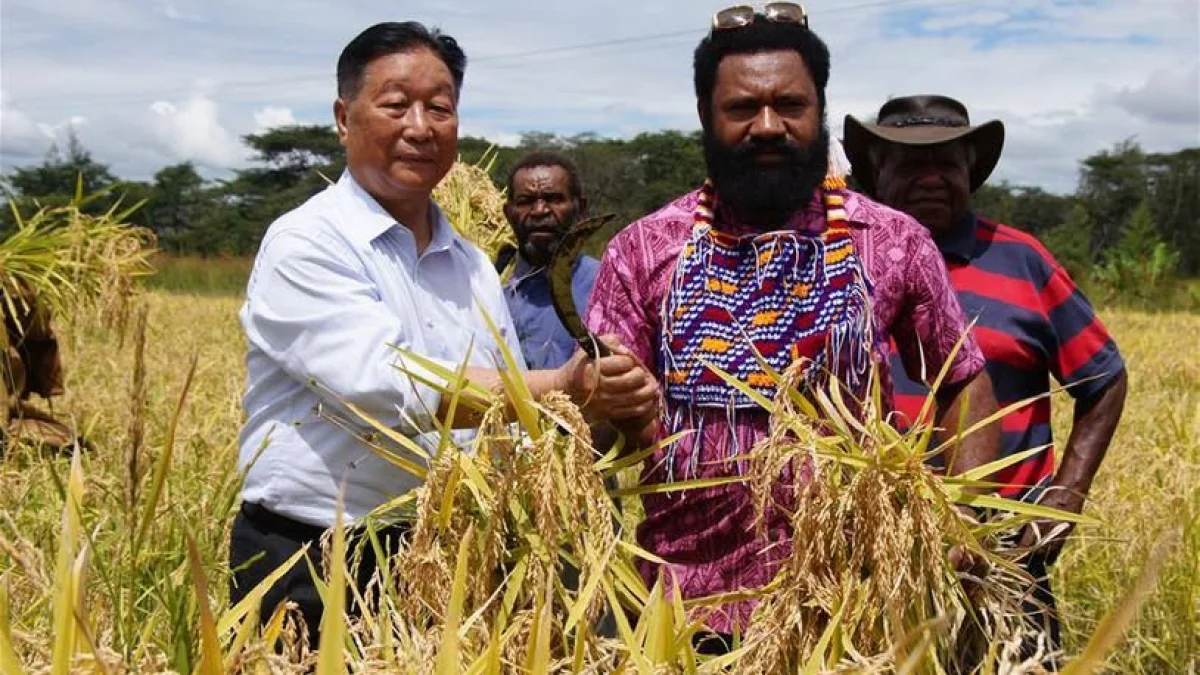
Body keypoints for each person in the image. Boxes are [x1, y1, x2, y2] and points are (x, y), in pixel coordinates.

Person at [584, 6, 1000, 648]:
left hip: (857, 605)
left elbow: (964, 381)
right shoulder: (642, 251)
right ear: (706, 116)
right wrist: (603, 400)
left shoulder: (890, 240)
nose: (769, 126)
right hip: (686, 613)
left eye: (791, 105)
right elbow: (601, 426)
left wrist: (962, 513)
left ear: (821, 110)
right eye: (743, 108)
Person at [229, 21, 657, 646]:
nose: (421, 127)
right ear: (344, 118)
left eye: (440, 108)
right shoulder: (307, 242)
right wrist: (561, 384)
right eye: (396, 105)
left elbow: (508, 426)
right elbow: (382, 390)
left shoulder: (473, 265)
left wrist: (607, 406)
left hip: (446, 555)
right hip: (313, 557)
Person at [844, 94, 1128, 657]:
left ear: (970, 171)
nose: (931, 179)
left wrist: (1066, 496)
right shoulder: (839, 260)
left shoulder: (1021, 259)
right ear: (877, 170)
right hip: (870, 551)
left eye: (946, 165)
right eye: (910, 165)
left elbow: (1104, 378)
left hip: (1001, 555)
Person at [501, 151, 601, 370]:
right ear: (508, 214)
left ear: (581, 209)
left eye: (554, 199)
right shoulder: (487, 289)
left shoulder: (608, 284)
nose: (539, 211)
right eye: (525, 201)